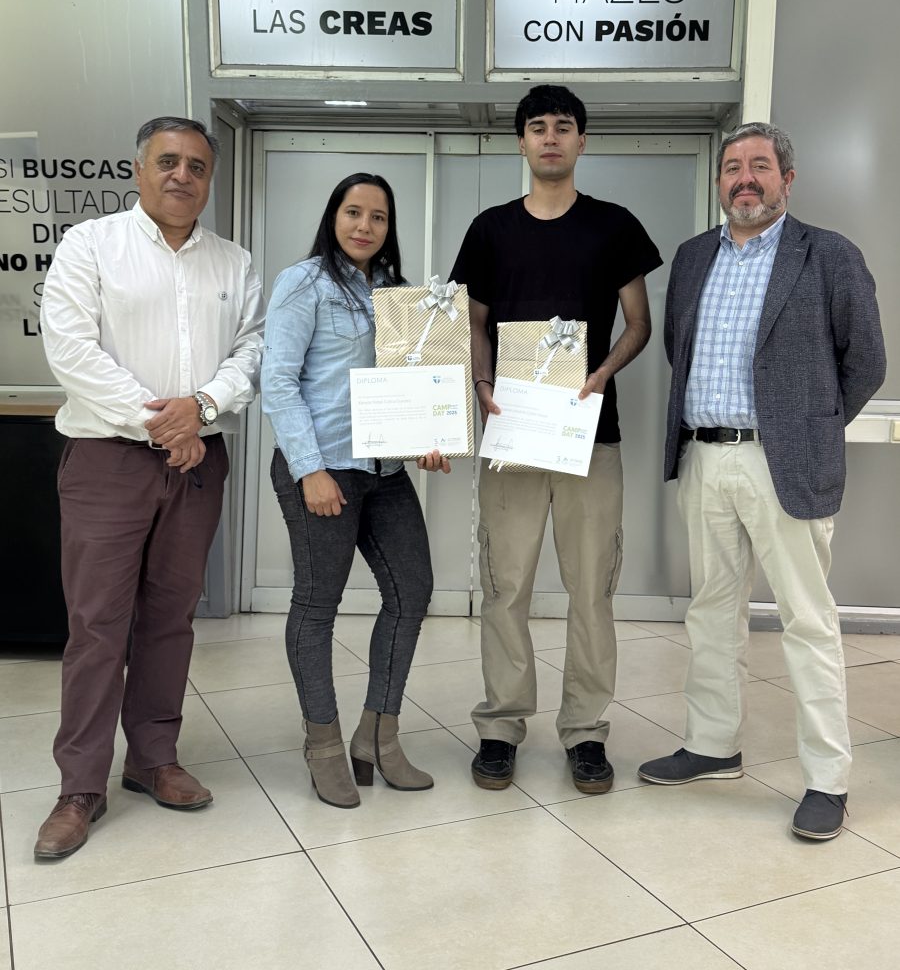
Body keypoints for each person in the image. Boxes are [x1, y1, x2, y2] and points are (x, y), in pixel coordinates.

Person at [638, 121, 886, 841]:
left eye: (759, 166)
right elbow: (679, 351)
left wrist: (808, 427)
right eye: (732, 167)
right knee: (712, 611)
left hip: (784, 462)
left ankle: (827, 778)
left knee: (807, 621)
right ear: (720, 181)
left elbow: (866, 362)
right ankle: (713, 745)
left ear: (787, 178)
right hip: (705, 458)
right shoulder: (693, 258)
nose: (744, 178)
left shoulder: (828, 255)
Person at [35, 116, 265, 859]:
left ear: (209, 179)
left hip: (198, 463)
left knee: (170, 619)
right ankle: (80, 786)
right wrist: (165, 423)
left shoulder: (234, 262)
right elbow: (72, 350)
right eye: (167, 162)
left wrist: (202, 408)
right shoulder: (90, 245)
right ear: (138, 170)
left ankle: (153, 759)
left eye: (197, 166)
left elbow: (250, 351)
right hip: (108, 459)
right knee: (97, 625)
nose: (181, 176)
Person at [450, 84, 662, 793]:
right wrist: (483, 384)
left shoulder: (614, 226)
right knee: (505, 585)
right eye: (537, 127)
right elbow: (474, 322)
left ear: (581, 140)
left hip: (588, 433)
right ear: (521, 141)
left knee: (591, 589)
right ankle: (501, 725)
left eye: (563, 127)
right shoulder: (490, 230)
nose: (550, 137)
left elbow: (639, 322)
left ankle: (585, 732)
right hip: (512, 432)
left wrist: (602, 372)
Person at [261, 173, 449, 809]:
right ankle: (322, 744)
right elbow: (278, 381)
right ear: (333, 216)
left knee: (412, 592)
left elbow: (411, 381)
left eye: (378, 217)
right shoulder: (304, 283)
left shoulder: (398, 293)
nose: (365, 226)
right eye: (353, 212)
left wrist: (427, 435)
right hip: (323, 469)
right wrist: (309, 468)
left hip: (385, 470)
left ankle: (377, 737)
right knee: (318, 606)